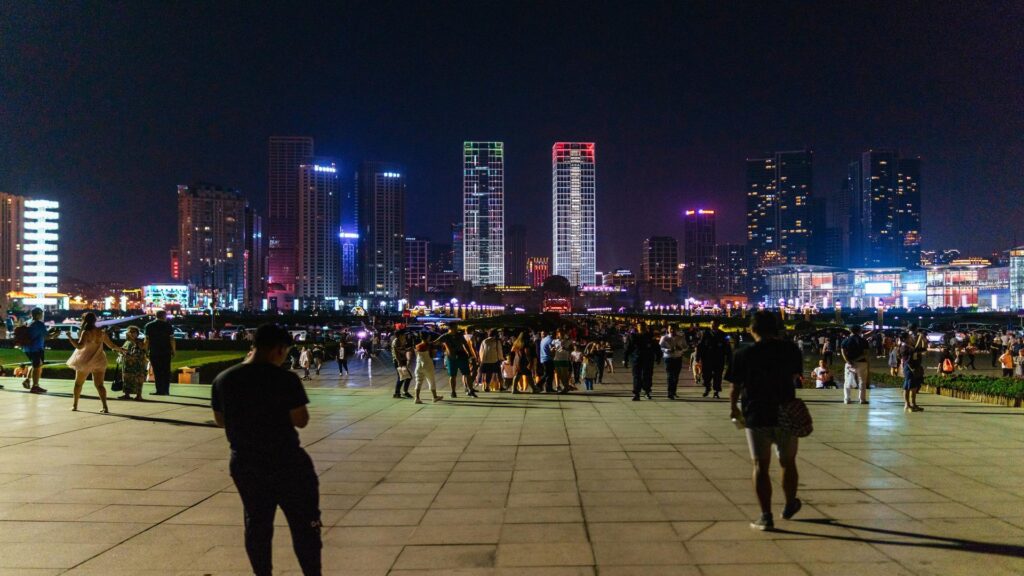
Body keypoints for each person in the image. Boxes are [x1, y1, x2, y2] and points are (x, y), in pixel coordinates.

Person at [211, 324, 321, 576]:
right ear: (279, 349)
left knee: (257, 524)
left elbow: (220, 420)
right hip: (287, 462)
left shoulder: (224, 379)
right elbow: (301, 419)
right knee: (305, 525)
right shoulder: (285, 379)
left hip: (246, 463)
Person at [727, 311, 803, 531]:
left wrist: (733, 408)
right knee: (788, 462)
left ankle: (766, 515)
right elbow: (793, 377)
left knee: (760, 465)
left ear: (752, 329)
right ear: (777, 328)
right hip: (785, 411)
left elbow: (735, 387)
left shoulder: (742, 353)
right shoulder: (791, 350)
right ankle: (790, 504)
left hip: (756, 413)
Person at [66, 312, 123, 413]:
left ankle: (75, 405)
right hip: (99, 360)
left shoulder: (86, 332)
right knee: (100, 385)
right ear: (95, 320)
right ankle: (105, 407)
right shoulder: (101, 332)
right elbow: (111, 345)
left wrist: (70, 338)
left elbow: (79, 346)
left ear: (84, 320)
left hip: (85, 360)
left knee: (78, 384)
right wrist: (121, 349)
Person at [435, 325, 476, 398]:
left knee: (467, 374)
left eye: (456, 328)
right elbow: (436, 342)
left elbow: (465, 344)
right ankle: (453, 392)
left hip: (461, 355)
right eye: (455, 328)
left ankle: (470, 390)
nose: (456, 329)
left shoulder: (459, 335)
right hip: (451, 357)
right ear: (450, 329)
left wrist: (469, 353)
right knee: (452, 375)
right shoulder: (445, 336)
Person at [624, 322, 662, 401]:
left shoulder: (650, 336)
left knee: (647, 376)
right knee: (636, 376)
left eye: (642, 326)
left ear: (645, 327)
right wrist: (625, 359)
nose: (641, 328)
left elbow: (656, 347)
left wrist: (659, 356)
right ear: (637, 328)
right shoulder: (633, 336)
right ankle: (636, 393)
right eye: (639, 326)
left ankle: (647, 392)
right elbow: (628, 348)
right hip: (636, 358)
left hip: (648, 358)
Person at [17, 308, 50, 394]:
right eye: (41, 314)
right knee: (37, 366)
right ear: (38, 314)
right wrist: (55, 334)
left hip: (27, 348)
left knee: (36, 365)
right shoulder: (39, 324)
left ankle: (28, 380)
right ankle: (35, 386)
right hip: (36, 348)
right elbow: (47, 336)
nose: (42, 315)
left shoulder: (28, 322)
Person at [696, 320, 731, 399]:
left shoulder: (723, 334)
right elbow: (700, 346)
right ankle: (707, 387)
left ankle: (716, 391)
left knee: (718, 375)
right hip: (707, 358)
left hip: (719, 358)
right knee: (706, 375)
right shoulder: (705, 333)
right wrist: (698, 357)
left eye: (714, 324)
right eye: (711, 324)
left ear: (718, 325)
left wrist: (729, 357)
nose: (713, 326)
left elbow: (727, 347)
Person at [144, 310, 175, 396]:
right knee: (166, 371)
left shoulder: (149, 326)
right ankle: (166, 390)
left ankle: (159, 390)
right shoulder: (168, 325)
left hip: (154, 351)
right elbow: (172, 339)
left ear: (155, 315)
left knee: (157, 371)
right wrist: (173, 350)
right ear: (164, 316)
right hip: (166, 351)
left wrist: (145, 351)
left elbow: (147, 340)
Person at [840, 325, 870, 405]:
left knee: (847, 381)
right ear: (859, 331)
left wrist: (848, 361)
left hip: (849, 363)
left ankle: (847, 399)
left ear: (850, 331)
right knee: (862, 382)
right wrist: (856, 359)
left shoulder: (845, 341)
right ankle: (862, 399)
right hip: (862, 363)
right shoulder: (864, 341)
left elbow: (843, 352)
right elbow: (865, 354)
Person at [118, 326, 148, 401]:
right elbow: (124, 350)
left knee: (138, 379)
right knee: (126, 378)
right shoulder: (127, 341)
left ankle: (139, 395)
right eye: (130, 332)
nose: (131, 333)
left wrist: (132, 339)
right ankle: (127, 394)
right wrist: (119, 351)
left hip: (138, 364)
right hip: (128, 363)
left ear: (137, 333)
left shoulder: (139, 341)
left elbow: (142, 348)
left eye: (133, 332)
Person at [413, 333, 442, 404]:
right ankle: (434, 397)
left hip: (418, 365)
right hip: (428, 365)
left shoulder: (417, 346)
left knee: (418, 381)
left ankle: (417, 398)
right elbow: (433, 355)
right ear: (428, 337)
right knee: (431, 381)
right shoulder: (429, 346)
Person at [901, 329, 926, 412]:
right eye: (909, 337)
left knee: (913, 387)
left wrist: (922, 339)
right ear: (905, 339)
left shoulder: (909, 346)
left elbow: (922, 349)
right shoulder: (905, 347)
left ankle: (913, 404)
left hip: (913, 367)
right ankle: (907, 405)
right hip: (909, 368)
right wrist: (912, 369)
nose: (911, 338)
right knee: (908, 387)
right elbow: (908, 360)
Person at [659, 324, 686, 399]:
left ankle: (674, 391)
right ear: (668, 329)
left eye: (673, 329)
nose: (672, 330)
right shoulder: (664, 337)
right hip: (669, 358)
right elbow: (661, 347)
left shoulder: (681, 337)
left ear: (676, 329)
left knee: (676, 376)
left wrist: (681, 349)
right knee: (670, 375)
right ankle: (670, 392)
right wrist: (668, 350)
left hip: (678, 358)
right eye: (670, 328)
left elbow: (686, 347)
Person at [391, 332, 413, 398]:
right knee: (404, 377)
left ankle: (400, 392)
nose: (405, 335)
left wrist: (408, 349)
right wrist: (399, 362)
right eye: (403, 334)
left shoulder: (400, 340)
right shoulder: (396, 341)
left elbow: (402, 350)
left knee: (404, 377)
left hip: (402, 361)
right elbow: (396, 353)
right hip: (399, 361)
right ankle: (399, 393)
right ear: (400, 335)